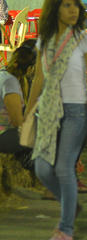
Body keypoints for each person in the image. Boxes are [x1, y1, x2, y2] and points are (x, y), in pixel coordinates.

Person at [25, 0, 87, 240]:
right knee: (42, 169)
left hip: (76, 112)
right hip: (49, 112)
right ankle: (70, 206)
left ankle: (65, 229)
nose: (73, 10)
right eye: (66, 5)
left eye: (75, 5)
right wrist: (27, 113)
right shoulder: (44, 42)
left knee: (63, 168)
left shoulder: (85, 40)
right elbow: (38, 79)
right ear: (54, 9)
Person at [0, 42, 37, 172]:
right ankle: (29, 162)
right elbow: (17, 121)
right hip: (4, 135)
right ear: (29, 68)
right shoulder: (10, 82)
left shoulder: (3, 74)